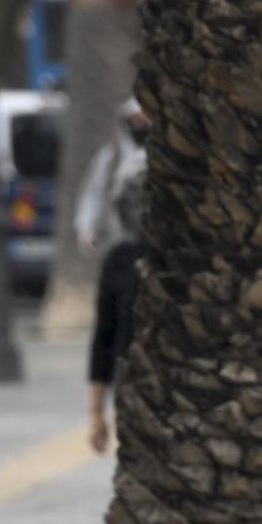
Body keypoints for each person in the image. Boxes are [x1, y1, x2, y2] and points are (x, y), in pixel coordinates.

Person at [86, 167, 145, 453]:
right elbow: (104, 338)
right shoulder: (119, 260)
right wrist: (96, 414)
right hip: (132, 386)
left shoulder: (184, 256)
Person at [75, 98, 149, 252]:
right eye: (136, 120)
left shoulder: (162, 159)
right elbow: (94, 192)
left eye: (145, 120)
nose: (141, 125)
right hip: (118, 239)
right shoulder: (111, 157)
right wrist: (87, 228)